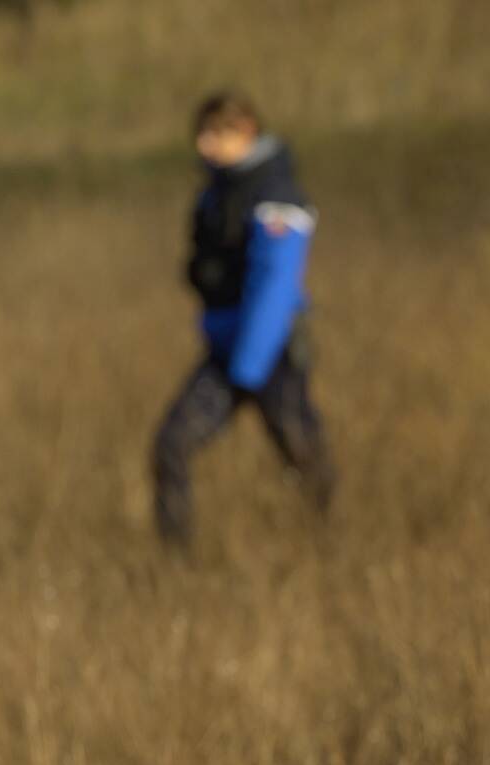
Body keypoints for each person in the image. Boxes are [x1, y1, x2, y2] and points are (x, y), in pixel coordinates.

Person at [154, 92, 333, 547]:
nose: (206, 144)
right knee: (170, 446)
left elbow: (275, 285)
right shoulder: (213, 196)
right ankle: (175, 564)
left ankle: (326, 545)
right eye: (202, 133)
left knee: (305, 458)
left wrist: (249, 367)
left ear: (247, 131)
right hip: (224, 349)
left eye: (218, 133)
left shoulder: (275, 195)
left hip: (270, 357)